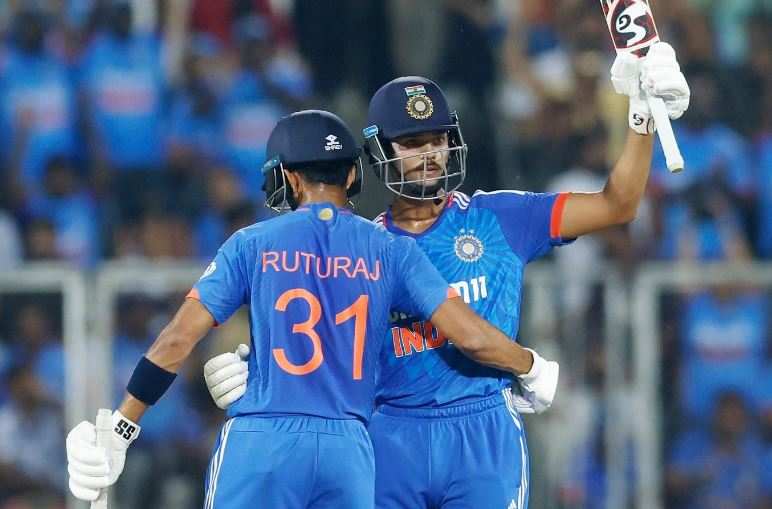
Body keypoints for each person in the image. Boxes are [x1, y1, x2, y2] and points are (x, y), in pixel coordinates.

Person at [205, 43, 690, 507]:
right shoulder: (361, 250)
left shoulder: (501, 217)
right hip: (390, 433)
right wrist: (259, 375)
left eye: (437, 139)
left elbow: (617, 205)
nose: (430, 153)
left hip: (484, 431)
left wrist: (641, 117)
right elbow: (314, 336)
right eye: (413, 143)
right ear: (380, 152)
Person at [65, 110, 558, 509]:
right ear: (352, 174)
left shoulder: (251, 244)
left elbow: (176, 340)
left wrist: (123, 428)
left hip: (263, 440)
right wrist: (530, 366)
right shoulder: (392, 249)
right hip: (350, 449)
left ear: (288, 178)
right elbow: (470, 336)